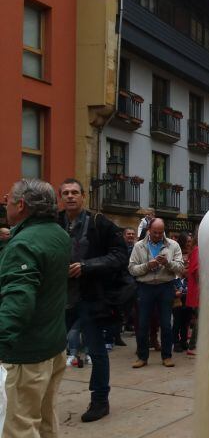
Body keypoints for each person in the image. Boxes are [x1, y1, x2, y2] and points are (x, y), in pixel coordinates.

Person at [0, 179, 70, 438]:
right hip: (55, 346)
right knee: (44, 420)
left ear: (22, 206)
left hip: (28, 352)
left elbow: (19, 299)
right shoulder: (57, 234)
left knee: (18, 429)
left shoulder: (23, 243)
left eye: (8, 199)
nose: (5, 203)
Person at [58, 178, 127, 422]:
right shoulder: (55, 223)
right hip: (61, 299)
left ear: (83, 196)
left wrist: (87, 266)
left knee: (96, 351)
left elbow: (120, 256)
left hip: (92, 298)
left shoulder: (100, 223)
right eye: (65, 193)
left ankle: (100, 400)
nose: (70, 196)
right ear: (60, 197)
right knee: (54, 350)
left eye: (74, 192)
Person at [128, 218, 184, 367]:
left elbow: (180, 268)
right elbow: (132, 269)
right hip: (144, 287)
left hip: (165, 286)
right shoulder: (139, 246)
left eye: (160, 232)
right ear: (148, 230)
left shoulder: (173, 245)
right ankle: (142, 357)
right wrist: (148, 265)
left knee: (166, 323)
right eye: (155, 233)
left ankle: (167, 356)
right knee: (143, 323)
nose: (158, 235)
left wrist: (167, 263)